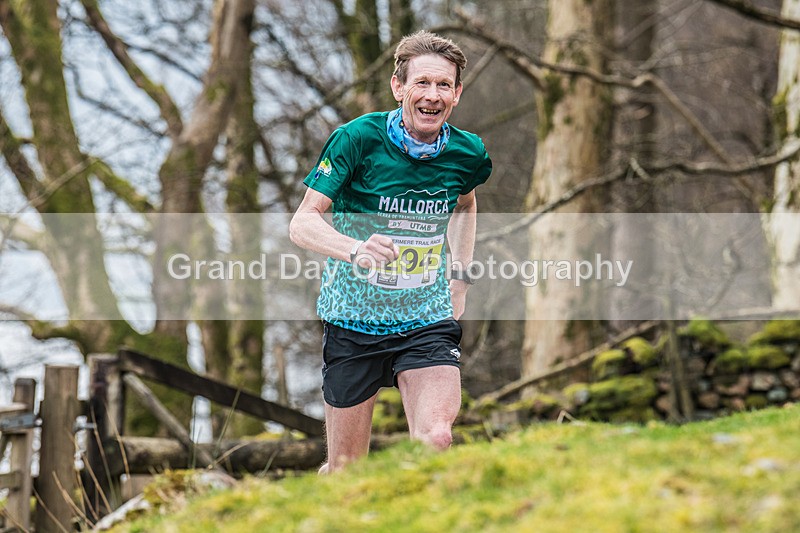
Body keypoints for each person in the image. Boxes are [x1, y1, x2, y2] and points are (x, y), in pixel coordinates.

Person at [289, 30, 492, 473]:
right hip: (353, 319)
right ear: (399, 87)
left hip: (426, 316)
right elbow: (302, 222)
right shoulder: (357, 140)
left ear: (457, 94)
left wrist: (460, 276)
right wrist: (355, 248)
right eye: (422, 83)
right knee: (346, 471)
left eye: (443, 85)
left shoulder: (467, 153)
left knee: (436, 437)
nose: (432, 95)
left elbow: (466, 204)